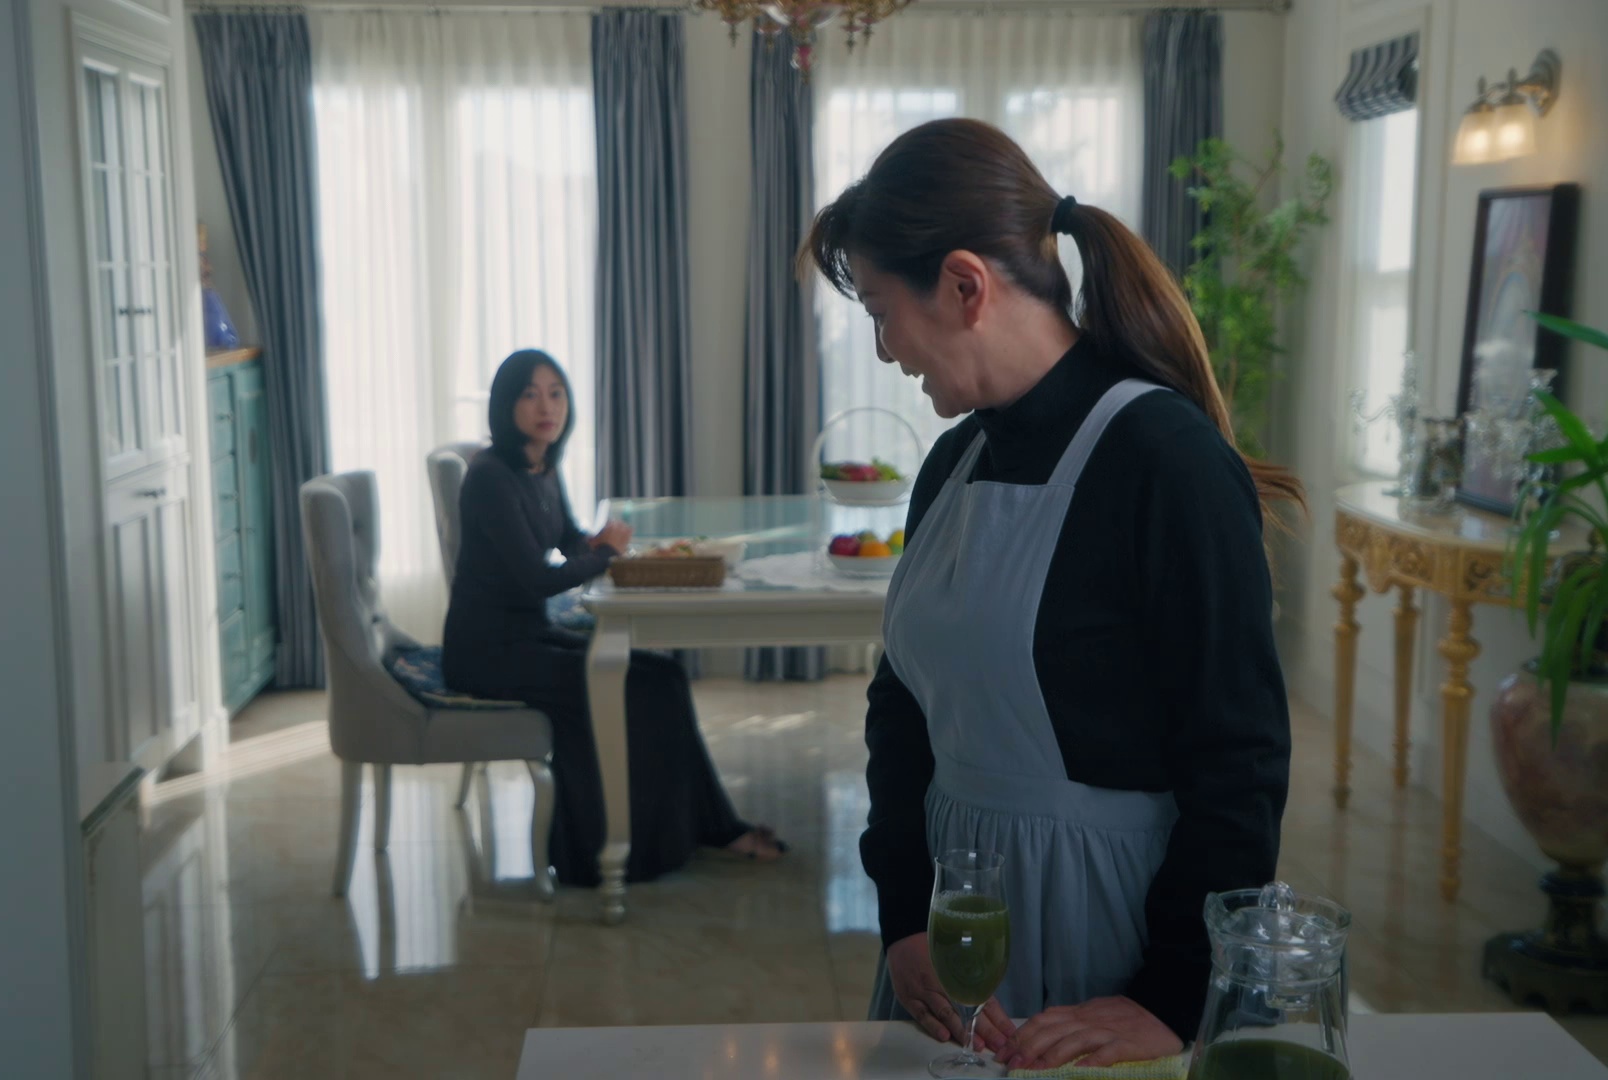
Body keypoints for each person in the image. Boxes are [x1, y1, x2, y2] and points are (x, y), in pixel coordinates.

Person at [803, 119, 1297, 1070]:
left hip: (1110, 936)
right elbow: (900, 703)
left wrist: (1173, 995)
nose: (885, 350)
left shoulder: (1168, 462)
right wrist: (905, 915)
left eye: (881, 311)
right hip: (952, 938)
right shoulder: (957, 457)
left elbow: (1238, 759)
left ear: (964, 285)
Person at [441, 349, 785, 885]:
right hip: (487, 652)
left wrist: (599, 542)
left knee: (664, 676)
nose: (546, 407)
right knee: (630, 687)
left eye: (556, 393)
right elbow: (536, 579)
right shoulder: (491, 477)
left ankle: (708, 827)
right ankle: (611, 850)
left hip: (527, 634)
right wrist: (604, 555)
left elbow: (566, 537)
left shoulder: (540, 464)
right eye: (530, 394)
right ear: (505, 405)